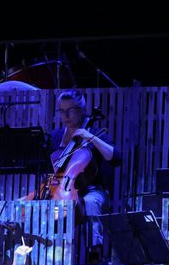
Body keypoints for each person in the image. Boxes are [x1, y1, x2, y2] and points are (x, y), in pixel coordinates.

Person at [46, 89, 121, 252]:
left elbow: (116, 158)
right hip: (60, 190)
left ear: (81, 110)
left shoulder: (93, 132)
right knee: (41, 205)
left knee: (90, 203)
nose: (65, 116)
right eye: (61, 111)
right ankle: (50, 252)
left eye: (70, 110)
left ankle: (94, 253)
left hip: (91, 190)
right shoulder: (56, 136)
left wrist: (90, 137)